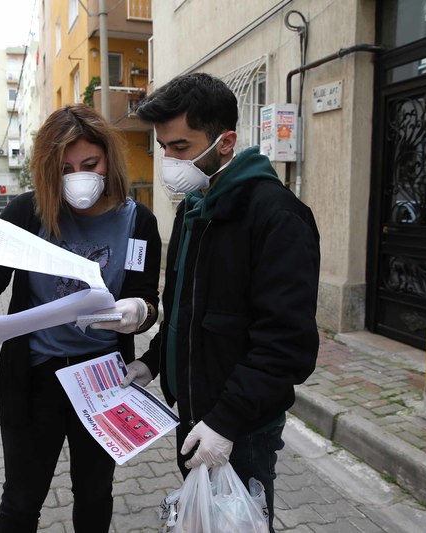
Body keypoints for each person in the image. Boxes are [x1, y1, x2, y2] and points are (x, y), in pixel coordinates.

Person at [118, 72, 320, 531]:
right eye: (163, 148)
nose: (170, 161)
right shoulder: (193, 209)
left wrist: (226, 422)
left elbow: (287, 345)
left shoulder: (277, 216)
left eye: (181, 147)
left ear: (225, 142)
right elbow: (186, 311)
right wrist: (154, 362)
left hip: (240, 430)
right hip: (193, 416)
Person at [0, 104, 161, 533]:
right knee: (22, 499)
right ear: (48, 169)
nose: (79, 177)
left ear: (108, 160)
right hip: (34, 378)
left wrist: (140, 313)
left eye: (90, 164)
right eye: (65, 169)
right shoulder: (29, 213)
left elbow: (145, 301)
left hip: (103, 380)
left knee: (95, 492)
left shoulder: (138, 222)